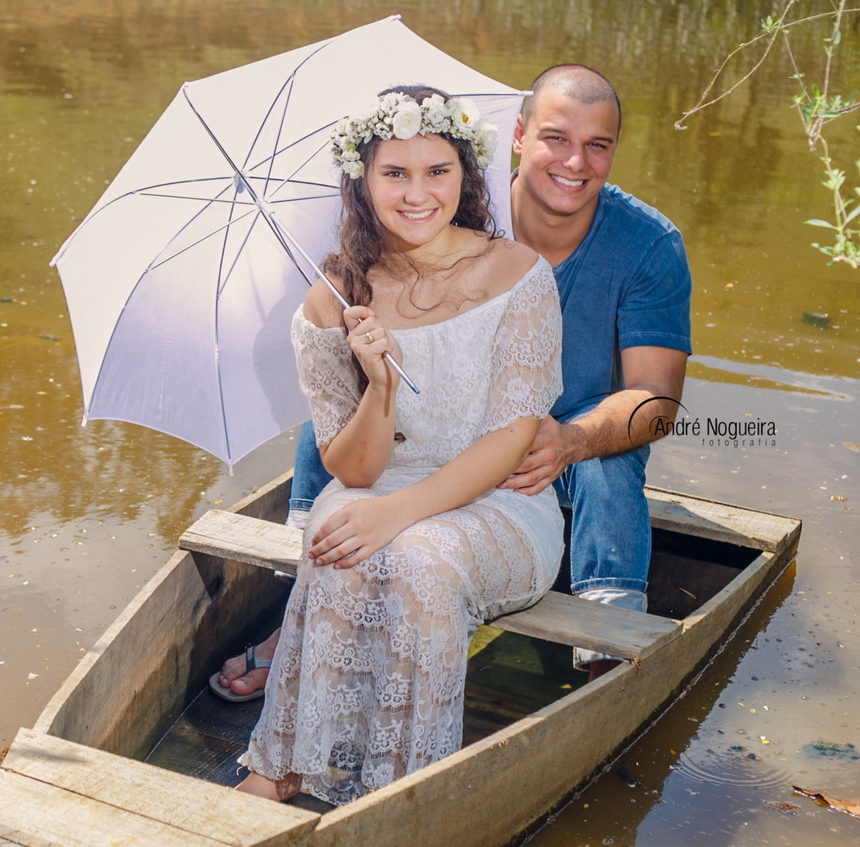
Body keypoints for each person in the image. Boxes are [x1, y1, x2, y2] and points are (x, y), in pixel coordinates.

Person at [214, 65, 691, 700]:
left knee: (611, 465)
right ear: (519, 137)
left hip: (565, 430)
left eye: (597, 145)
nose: (575, 161)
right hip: (454, 423)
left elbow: (656, 401)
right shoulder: (440, 202)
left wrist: (571, 440)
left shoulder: (648, 243)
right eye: (555, 138)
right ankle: (297, 606)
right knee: (336, 413)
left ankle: (608, 656)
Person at [234, 85, 565, 803]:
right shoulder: (332, 300)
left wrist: (399, 512)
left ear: (466, 175)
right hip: (380, 484)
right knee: (334, 527)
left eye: (437, 171)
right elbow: (353, 468)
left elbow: (514, 436)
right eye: (395, 174)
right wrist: (379, 386)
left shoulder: (518, 275)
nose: (418, 194)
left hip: (501, 501)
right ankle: (287, 763)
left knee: (420, 553)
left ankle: (402, 789)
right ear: (362, 181)